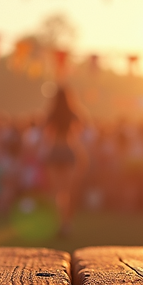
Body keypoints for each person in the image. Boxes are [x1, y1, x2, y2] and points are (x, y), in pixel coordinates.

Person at [43, 87, 84, 237]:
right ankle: (66, 223)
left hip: (55, 151)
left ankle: (56, 222)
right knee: (67, 191)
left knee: (56, 191)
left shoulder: (52, 114)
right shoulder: (72, 113)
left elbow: (46, 133)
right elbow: (80, 129)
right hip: (68, 150)